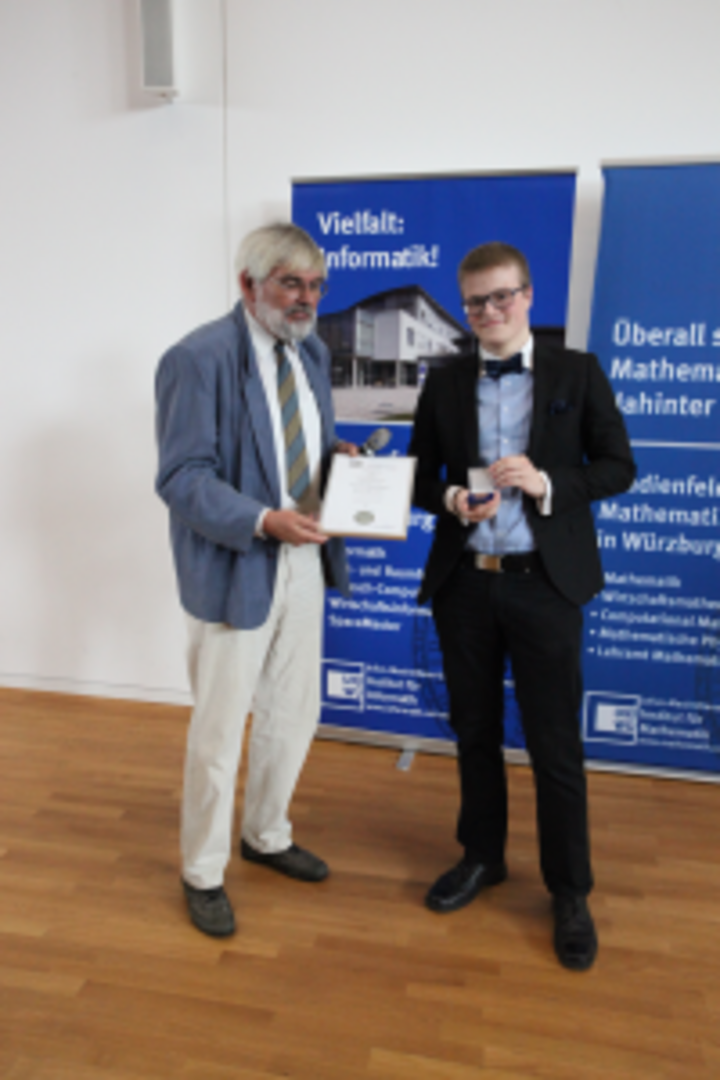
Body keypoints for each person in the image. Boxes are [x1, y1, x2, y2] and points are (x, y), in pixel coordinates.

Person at [408, 241, 635, 971]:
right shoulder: (444, 381)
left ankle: (570, 891)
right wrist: (449, 497)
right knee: (474, 731)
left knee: (554, 745)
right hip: (466, 584)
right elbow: (417, 476)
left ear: (529, 295)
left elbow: (619, 467)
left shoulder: (578, 372)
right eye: (475, 302)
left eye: (501, 296)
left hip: (546, 584)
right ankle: (482, 856)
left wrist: (547, 484)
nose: (489, 311)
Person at [155, 223, 354, 938]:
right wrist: (265, 520)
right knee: (219, 733)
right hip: (238, 560)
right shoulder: (197, 358)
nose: (306, 299)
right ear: (248, 284)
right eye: (290, 283)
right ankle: (202, 872)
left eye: (315, 286)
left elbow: (302, 446)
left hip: (306, 559)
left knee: (293, 713)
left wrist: (340, 458)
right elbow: (182, 478)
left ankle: (266, 835)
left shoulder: (312, 352)